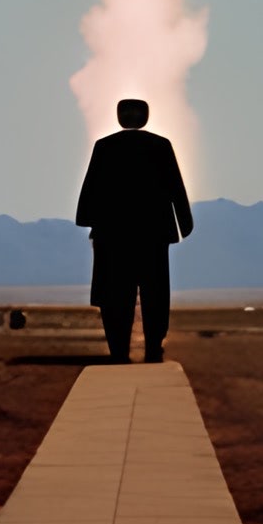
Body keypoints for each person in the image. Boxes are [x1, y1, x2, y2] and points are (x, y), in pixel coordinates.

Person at [75, 97, 194, 363]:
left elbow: (91, 188)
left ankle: (119, 350)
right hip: (153, 235)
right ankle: (153, 346)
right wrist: (184, 223)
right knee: (155, 294)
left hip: (113, 236)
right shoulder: (160, 146)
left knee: (116, 294)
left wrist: (86, 219)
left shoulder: (105, 147)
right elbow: (176, 187)